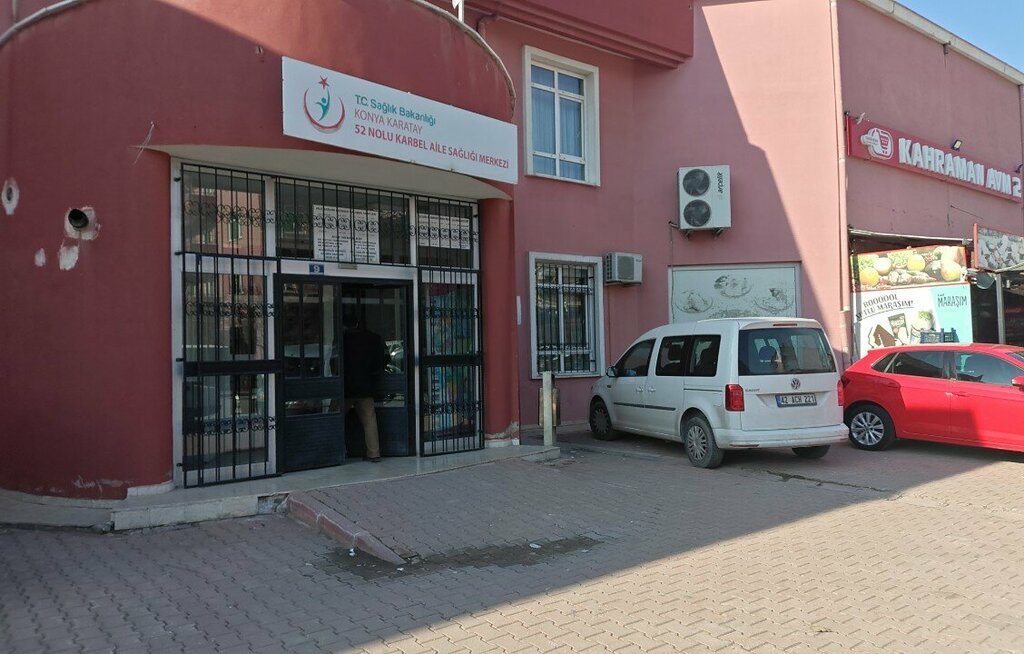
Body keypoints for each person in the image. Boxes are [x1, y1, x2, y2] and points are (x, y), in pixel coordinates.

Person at [342, 313, 389, 463]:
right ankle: (374, 453)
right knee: (369, 419)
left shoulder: (342, 339)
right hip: (366, 385)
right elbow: (385, 359)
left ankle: (337, 452)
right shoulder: (373, 338)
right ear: (357, 323)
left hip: (345, 387)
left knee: (334, 418)